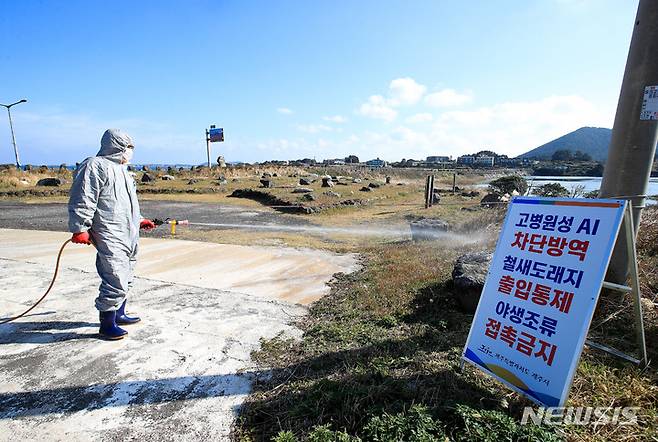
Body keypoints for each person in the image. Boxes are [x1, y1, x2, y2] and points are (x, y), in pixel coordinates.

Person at [68, 129, 155, 340]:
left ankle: (119, 313)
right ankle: (106, 324)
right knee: (115, 275)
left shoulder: (123, 170)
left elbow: (128, 203)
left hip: (129, 231)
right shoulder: (94, 166)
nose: (130, 151)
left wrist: (140, 219)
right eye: (128, 147)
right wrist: (80, 228)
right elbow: (83, 198)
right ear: (116, 146)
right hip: (109, 231)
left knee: (127, 273)